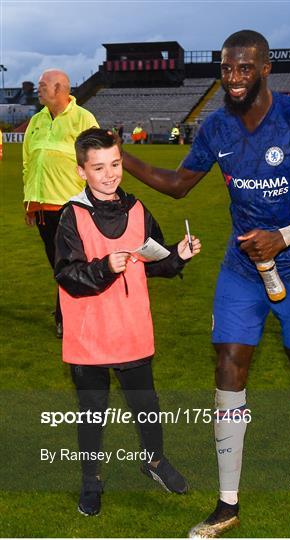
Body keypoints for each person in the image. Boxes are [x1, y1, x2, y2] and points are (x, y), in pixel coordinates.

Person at [121, 29, 290, 538]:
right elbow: (181, 186)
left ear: (266, 68)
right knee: (228, 370)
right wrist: (124, 162)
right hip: (240, 269)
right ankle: (228, 503)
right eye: (227, 68)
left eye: (244, 68)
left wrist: (284, 236)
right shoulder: (217, 126)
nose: (233, 77)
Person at [54, 128, 201, 516]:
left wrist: (178, 255)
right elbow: (67, 274)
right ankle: (91, 481)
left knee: (146, 406)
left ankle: (154, 462)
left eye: (115, 164)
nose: (109, 174)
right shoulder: (72, 215)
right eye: (98, 167)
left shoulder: (136, 209)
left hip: (132, 329)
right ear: (81, 171)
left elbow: (154, 262)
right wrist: (103, 268)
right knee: (92, 412)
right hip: (89, 335)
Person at [22, 69, 98, 338]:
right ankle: (69, 313)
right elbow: (28, 162)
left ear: (60, 89)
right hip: (41, 207)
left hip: (70, 207)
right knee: (58, 264)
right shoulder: (36, 121)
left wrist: (94, 203)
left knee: (66, 265)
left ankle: (66, 318)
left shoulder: (83, 119)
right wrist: (28, 200)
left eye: (43, 85)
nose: (38, 89)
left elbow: (95, 161)